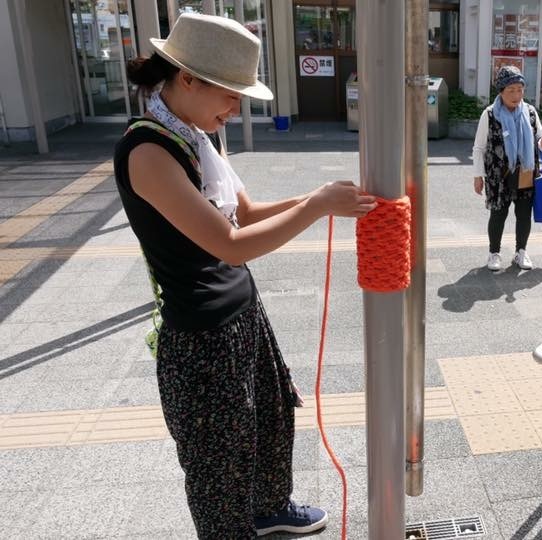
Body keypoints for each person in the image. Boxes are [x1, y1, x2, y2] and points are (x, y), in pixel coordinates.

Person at [113, 14, 376, 538]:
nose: (235, 110)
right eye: (230, 95)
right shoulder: (148, 150)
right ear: (187, 78)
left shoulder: (194, 133)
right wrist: (318, 207)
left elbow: (247, 213)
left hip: (241, 311)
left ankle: (269, 509)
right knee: (218, 462)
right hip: (199, 334)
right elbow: (229, 244)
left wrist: (317, 198)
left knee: (273, 418)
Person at [472, 65, 542, 271]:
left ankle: (521, 252)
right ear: (501, 91)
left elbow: (539, 137)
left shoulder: (530, 112)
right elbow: (479, 148)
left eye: (519, 89)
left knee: (524, 214)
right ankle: (494, 253)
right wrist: (477, 175)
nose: (516, 95)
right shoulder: (489, 115)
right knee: (498, 214)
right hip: (498, 175)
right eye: (511, 90)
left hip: (525, 172)